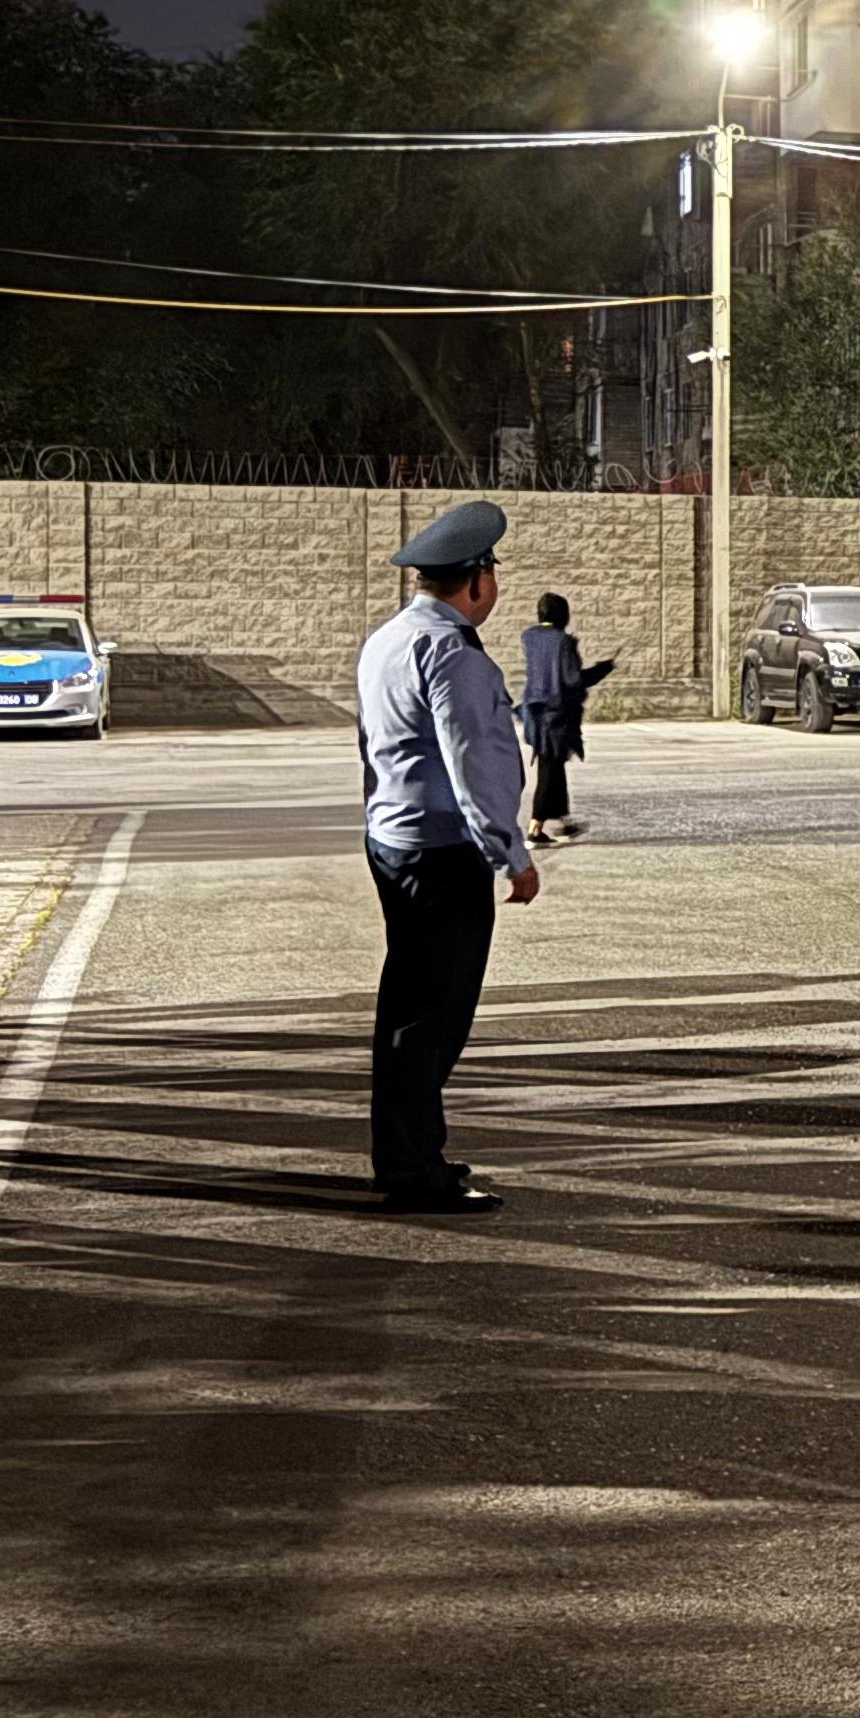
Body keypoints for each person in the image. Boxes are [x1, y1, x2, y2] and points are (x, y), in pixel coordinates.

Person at [354, 500, 540, 1214]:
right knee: (434, 1014)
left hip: (396, 839)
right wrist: (510, 853)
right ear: (475, 583)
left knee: (411, 1005)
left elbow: (371, 748)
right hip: (442, 851)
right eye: (490, 574)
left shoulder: (388, 639)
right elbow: (475, 762)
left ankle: (414, 1151)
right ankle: (411, 1168)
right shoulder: (451, 652)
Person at [519, 592, 618, 849]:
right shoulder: (563, 642)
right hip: (556, 716)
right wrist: (602, 669)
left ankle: (563, 822)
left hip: (534, 714)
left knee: (553, 767)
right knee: (549, 770)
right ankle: (534, 828)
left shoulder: (529, 637)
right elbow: (572, 680)